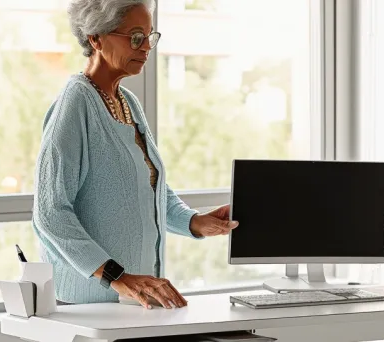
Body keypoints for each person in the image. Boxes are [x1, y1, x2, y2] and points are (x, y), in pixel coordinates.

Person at [32, 0, 239, 309]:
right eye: (135, 37)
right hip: (91, 305)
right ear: (96, 38)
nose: (146, 48)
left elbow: (151, 191)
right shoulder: (74, 104)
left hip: (137, 300)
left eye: (150, 37)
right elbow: (51, 213)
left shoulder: (128, 102)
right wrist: (118, 277)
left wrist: (195, 222)